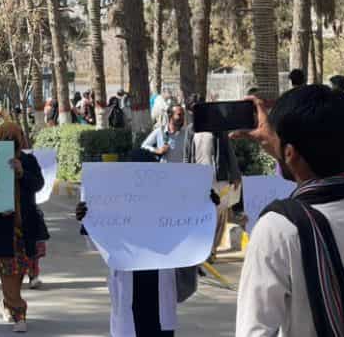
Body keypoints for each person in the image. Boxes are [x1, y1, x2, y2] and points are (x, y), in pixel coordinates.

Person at [234, 85, 344, 336]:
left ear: (290, 153)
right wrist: (283, 151)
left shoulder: (278, 228)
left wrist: (286, 154)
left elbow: (254, 330)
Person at [76, 148, 183, 337]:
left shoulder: (169, 203)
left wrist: (207, 206)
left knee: (159, 329)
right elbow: (99, 245)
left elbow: (190, 232)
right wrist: (87, 220)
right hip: (130, 284)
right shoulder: (115, 203)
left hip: (158, 284)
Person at [0, 122, 45, 333]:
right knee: (8, 273)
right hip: (1, 230)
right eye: (5, 137)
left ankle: (8, 302)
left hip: (24, 229)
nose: (11, 141)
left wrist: (21, 172)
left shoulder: (28, 160)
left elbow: (39, 184)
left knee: (18, 274)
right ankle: (20, 312)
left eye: (14, 136)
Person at [183, 95, 241, 260]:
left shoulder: (218, 127)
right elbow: (187, 156)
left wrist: (235, 175)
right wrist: (184, 177)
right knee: (202, 215)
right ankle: (201, 248)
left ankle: (212, 250)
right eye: (193, 108)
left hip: (219, 177)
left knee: (219, 214)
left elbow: (229, 152)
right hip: (198, 180)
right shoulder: (190, 130)